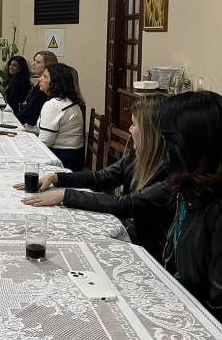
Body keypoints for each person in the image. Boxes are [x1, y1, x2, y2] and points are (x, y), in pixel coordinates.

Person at [18, 95, 173, 260]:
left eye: (134, 124)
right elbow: (102, 177)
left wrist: (65, 195)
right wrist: (56, 178)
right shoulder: (139, 155)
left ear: (150, 132)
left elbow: (126, 204)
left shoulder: (170, 173)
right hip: (130, 231)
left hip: (149, 250)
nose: (129, 129)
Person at [158, 91, 222, 320]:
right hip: (181, 300)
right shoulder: (189, 187)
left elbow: (217, 302)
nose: (164, 149)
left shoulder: (216, 204)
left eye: (169, 140)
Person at [27, 63, 84, 170]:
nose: (40, 79)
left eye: (45, 76)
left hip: (62, 161)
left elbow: (45, 143)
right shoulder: (69, 101)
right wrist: (36, 129)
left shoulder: (54, 105)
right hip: (75, 157)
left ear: (55, 82)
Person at [17, 51, 58, 126]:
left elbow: (34, 114)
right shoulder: (38, 85)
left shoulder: (45, 89)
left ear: (47, 66)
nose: (33, 64)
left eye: (38, 62)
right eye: (34, 60)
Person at [3, 55, 31, 120]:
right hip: (11, 110)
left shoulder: (19, 81)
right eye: (10, 64)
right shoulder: (13, 78)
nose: (11, 67)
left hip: (15, 114)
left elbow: (12, 100)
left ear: (21, 68)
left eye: (14, 65)